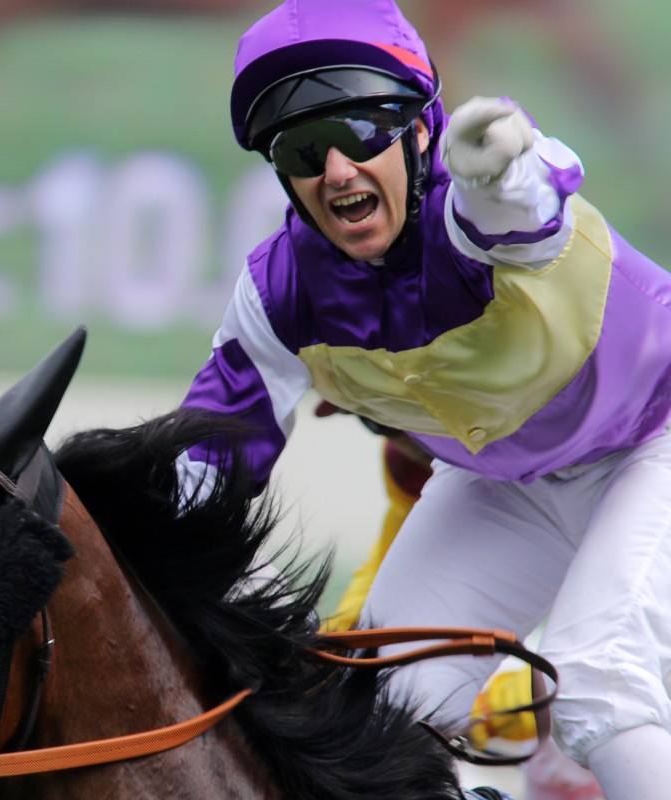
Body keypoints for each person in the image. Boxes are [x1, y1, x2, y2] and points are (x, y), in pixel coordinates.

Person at [174, 2, 671, 798]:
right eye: (305, 148)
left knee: (601, 685)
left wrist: (496, 164)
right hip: (509, 483)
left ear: (421, 133)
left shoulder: (472, 205)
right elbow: (207, 454)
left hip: (657, 441)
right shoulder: (277, 293)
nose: (337, 171)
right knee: (367, 717)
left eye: (364, 133)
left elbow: (522, 214)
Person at [319, 401, 603, 800]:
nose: (400, 436)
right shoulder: (406, 466)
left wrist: (496, 704)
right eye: (375, 423)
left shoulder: (533, 425)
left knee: (591, 696)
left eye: (394, 411)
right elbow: (386, 578)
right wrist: (326, 652)